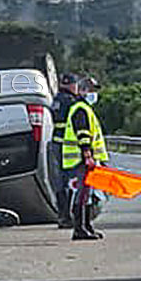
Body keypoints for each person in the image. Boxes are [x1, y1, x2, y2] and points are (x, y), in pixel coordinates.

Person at [62, 75, 109, 241]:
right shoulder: (81, 109)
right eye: (91, 90)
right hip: (81, 160)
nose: (93, 93)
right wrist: (87, 155)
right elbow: (82, 135)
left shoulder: (85, 109)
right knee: (82, 194)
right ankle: (79, 228)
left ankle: (86, 226)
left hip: (85, 159)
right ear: (82, 91)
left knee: (87, 194)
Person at [51, 73, 80, 228]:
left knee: (60, 181)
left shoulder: (56, 100)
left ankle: (62, 216)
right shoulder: (71, 101)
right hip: (68, 145)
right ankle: (69, 216)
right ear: (71, 85)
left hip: (56, 143)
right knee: (71, 180)